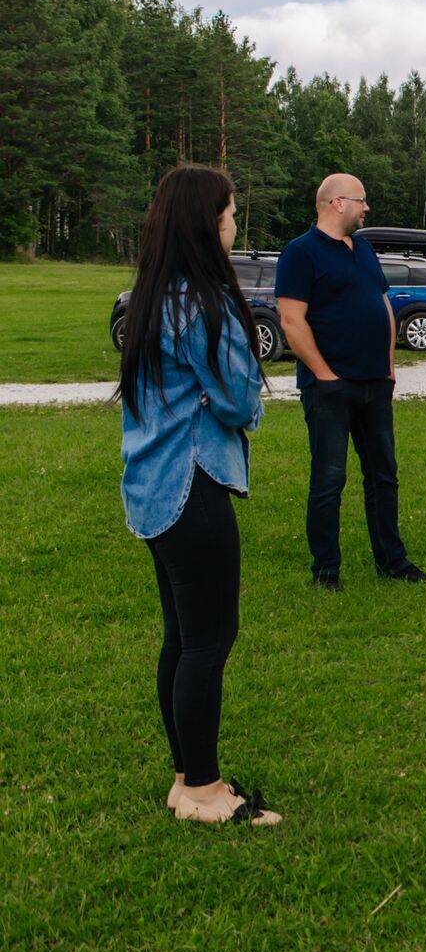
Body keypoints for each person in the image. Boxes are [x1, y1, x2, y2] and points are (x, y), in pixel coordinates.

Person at [118, 165, 280, 826]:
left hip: (153, 490)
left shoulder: (151, 296)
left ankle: (186, 780)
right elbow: (243, 399)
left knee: (182, 638)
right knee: (209, 639)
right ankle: (207, 793)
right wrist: (230, 400)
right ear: (206, 223)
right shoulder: (203, 303)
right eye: (231, 213)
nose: (236, 223)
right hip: (193, 487)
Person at [275, 174, 426, 589]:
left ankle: (392, 562)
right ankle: (325, 571)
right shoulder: (299, 253)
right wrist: (325, 376)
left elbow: (381, 304)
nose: (367, 209)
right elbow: (291, 321)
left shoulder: (362, 249)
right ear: (336, 203)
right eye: (361, 201)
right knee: (329, 479)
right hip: (329, 388)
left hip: (375, 383)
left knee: (383, 476)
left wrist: (389, 365)